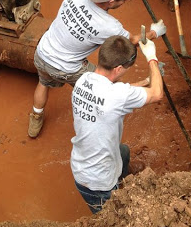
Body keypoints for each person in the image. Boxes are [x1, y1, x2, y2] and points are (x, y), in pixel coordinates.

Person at [29, 0, 166, 138]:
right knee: (108, 85)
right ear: (111, 2)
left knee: (44, 82)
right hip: (67, 68)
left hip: (42, 52)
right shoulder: (110, 26)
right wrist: (154, 32)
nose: (124, 3)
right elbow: (133, 41)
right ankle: (141, 86)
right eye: (123, 0)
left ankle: (36, 117)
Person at [70, 35, 163, 213]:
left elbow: (116, 93)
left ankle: (124, 181)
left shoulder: (83, 80)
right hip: (97, 183)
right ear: (118, 68)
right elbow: (157, 94)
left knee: (124, 151)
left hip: (81, 162)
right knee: (112, 220)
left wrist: (145, 82)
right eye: (126, 69)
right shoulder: (117, 95)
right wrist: (152, 57)